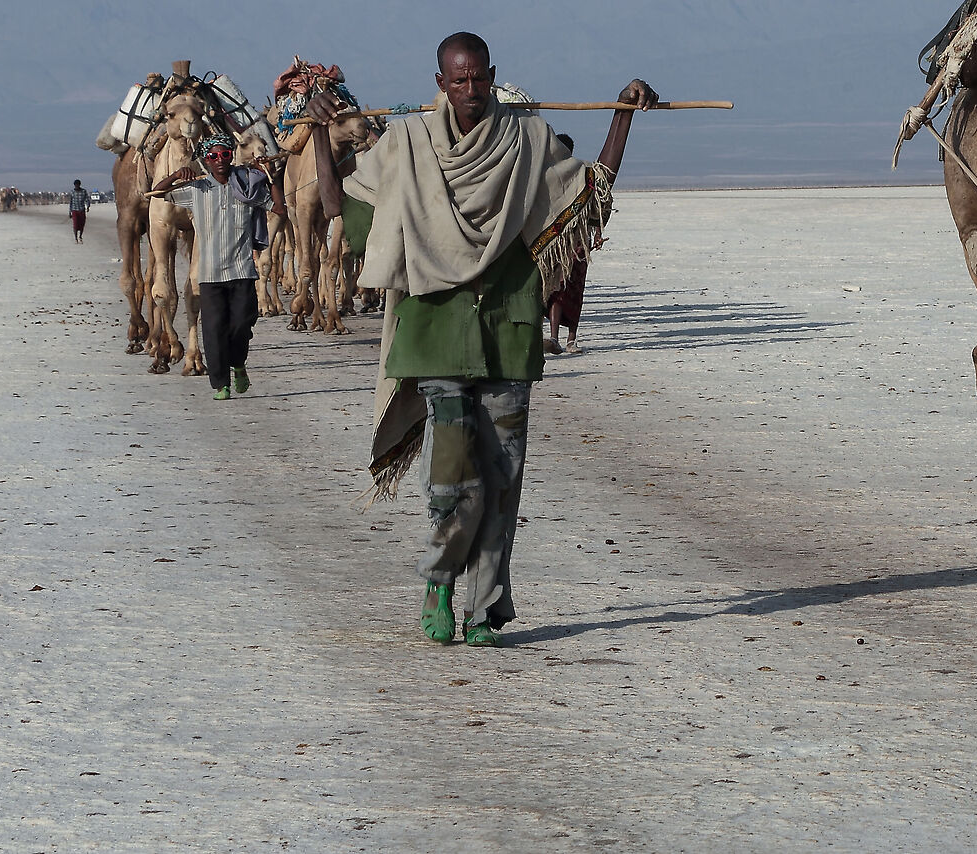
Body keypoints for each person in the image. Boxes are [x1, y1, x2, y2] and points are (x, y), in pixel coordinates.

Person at [310, 32, 654, 647]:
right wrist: (315, 134)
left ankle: (487, 604)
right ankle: (440, 584)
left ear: (491, 75)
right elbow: (342, 208)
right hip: (435, 333)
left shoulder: (526, 141)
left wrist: (622, 117)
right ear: (440, 82)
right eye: (458, 80)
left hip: (505, 329)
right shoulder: (405, 144)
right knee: (453, 478)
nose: (470, 91)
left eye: (479, 79)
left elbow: (589, 192)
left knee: (503, 479)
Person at [153, 135, 274, 400]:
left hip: (242, 270)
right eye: (213, 156)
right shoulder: (197, 189)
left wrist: (268, 174)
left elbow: (277, 207)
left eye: (225, 155)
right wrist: (176, 175)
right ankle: (222, 384)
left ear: (232, 156)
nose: (219, 161)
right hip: (209, 274)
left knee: (242, 324)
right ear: (205, 161)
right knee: (213, 329)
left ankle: (238, 363)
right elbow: (157, 193)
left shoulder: (246, 186)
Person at [543, 134, 591, 354]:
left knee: (574, 289)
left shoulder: (582, 174)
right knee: (556, 288)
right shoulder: (548, 174)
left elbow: (597, 204)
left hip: (578, 242)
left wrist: (597, 232)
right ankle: (554, 338)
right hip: (553, 242)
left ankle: (571, 339)